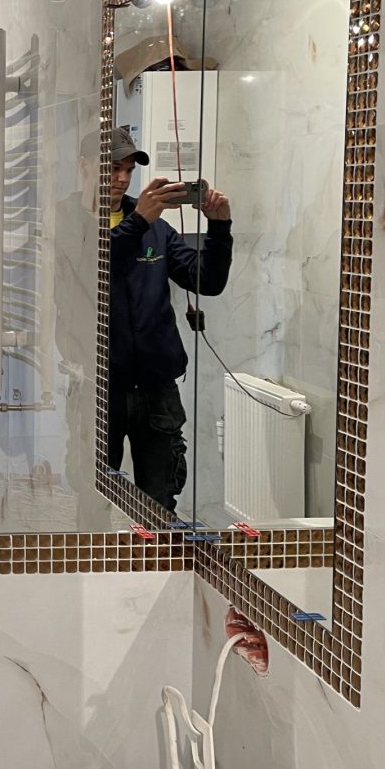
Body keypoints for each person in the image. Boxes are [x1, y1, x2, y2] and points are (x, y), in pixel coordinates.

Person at [107, 127, 233, 511]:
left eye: (129, 170)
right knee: (92, 501)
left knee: (160, 501)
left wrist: (219, 228)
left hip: (156, 389)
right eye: (113, 168)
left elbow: (207, 282)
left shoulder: (157, 228)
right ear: (84, 166)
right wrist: (137, 223)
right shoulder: (71, 221)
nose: (122, 178)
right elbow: (91, 268)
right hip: (99, 388)